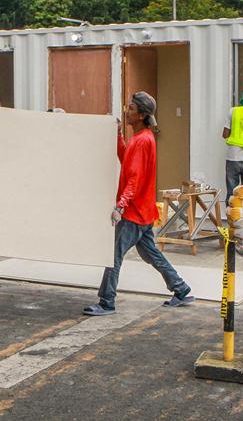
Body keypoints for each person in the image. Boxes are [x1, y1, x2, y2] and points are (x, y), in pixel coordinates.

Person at [83, 92, 194, 316]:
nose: (127, 110)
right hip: (143, 211)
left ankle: (107, 302)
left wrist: (120, 206)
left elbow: (135, 177)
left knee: (113, 256)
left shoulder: (143, 140)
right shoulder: (140, 138)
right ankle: (181, 289)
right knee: (151, 254)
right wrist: (117, 135)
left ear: (142, 115)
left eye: (131, 108)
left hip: (133, 213)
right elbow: (126, 160)